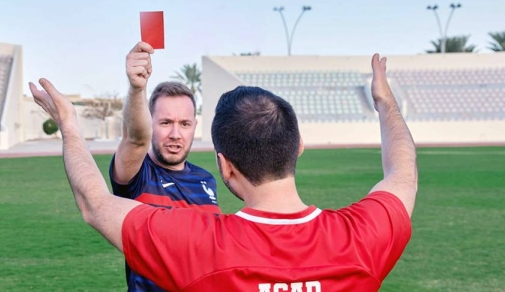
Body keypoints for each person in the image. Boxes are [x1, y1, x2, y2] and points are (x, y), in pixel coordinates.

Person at [29, 54, 417, 291]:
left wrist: (69, 125)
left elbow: (95, 204)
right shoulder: (362, 238)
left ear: (224, 165)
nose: (174, 133)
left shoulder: (201, 248)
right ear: (298, 147)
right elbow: (403, 170)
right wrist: (385, 103)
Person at [110, 42, 221, 291]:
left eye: (184, 123)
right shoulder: (137, 174)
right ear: (150, 123)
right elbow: (135, 139)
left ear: (194, 126)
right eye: (165, 122)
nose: (175, 134)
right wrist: (137, 89)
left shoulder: (206, 180)